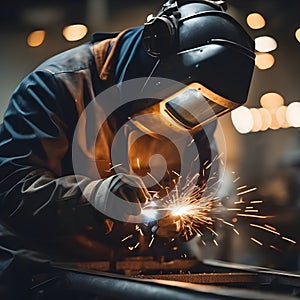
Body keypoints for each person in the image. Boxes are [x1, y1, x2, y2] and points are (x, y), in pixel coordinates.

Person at [0, 0, 255, 298]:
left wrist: (176, 227)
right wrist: (97, 198)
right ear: (154, 51)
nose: (182, 117)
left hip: (130, 274)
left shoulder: (193, 115)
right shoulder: (55, 86)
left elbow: (195, 201)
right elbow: (12, 192)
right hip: (44, 276)